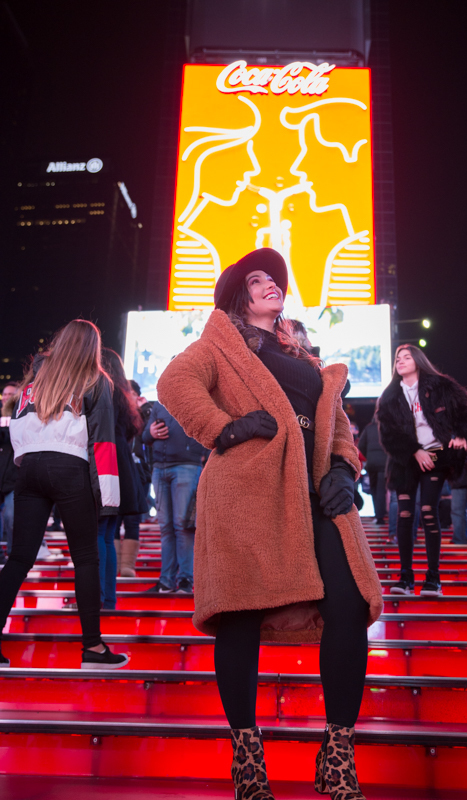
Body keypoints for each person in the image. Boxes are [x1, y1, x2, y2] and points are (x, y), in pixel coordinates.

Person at [157, 248, 383, 799]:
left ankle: (337, 756)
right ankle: (248, 763)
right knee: (238, 615)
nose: (269, 285)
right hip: (246, 490)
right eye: (256, 280)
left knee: (350, 604)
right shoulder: (219, 344)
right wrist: (224, 429)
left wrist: (344, 469)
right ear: (239, 296)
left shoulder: (304, 356)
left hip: (316, 493)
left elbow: (340, 428)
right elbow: (173, 383)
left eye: (274, 280)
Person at [0, 320, 128, 669]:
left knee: (18, 560)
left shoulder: (35, 378)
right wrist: (108, 496)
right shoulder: (96, 380)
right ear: (92, 348)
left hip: (29, 468)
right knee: (86, 559)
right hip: (68, 468)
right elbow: (102, 441)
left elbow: (16, 423)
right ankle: (93, 647)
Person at [376, 344, 467, 596]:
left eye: (407, 357)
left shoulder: (441, 386)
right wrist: (414, 450)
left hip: (436, 457)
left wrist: (463, 435)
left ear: (418, 360)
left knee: (428, 510)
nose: (400, 361)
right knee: (404, 515)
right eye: (398, 358)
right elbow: (388, 435)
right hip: (405, 461)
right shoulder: (389, 396)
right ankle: (406, 578)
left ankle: (433, 578)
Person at [142, 399, 208, 594]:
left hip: (186, 466)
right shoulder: (158, 405)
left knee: (182, 525)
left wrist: (200, 455)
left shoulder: (195, 400)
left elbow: (207, 429)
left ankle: (185, 580)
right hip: (159, 468)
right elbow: (145, 436)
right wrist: (151, 433)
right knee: (166, 527)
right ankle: (166, 581)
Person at [98, 349, 147, 608]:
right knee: (107, 532)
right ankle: (106, 598)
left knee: (102, 531)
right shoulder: (124, 395)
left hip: (105, 458)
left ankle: (100, 598)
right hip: (122, 461)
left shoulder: (102, 389)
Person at [113, 380, 153, 578]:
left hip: (139, 473)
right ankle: (114, 565)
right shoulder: (117, 412)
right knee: (113, 519)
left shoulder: (147, 412)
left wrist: (144, 409)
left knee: (132, 520)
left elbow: (151, 433)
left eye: (131, 393)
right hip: (117, 469)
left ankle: (127, 566)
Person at [357, 412, 387, 524]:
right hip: (385, 463)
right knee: (382, 490)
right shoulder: (387, 428)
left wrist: (368, 456)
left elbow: (361, 445)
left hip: (372, 463)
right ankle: (381, 516)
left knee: (374, 490)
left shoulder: (368, 428)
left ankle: (378, 515)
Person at [0, 383, 18, 563]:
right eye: (4, 394)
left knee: (11, 517)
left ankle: (14, 556)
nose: (6, 397)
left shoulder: (23, 416)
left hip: (15, 476)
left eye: (10, 394)